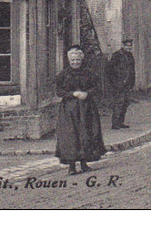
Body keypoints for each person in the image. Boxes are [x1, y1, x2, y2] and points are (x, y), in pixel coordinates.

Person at [55, 45, 106, 175]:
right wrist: (72, 94)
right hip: (69, 111)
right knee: (70, 136)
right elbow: (59, 91)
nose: (75, 63)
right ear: (69, 61)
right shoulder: (63, 75)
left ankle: (84, 163)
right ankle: (71, 166)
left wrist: (87, 93)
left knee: (86, 133)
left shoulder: (89, 73)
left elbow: (97, 87)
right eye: (73, 61)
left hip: (86, 109)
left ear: (81, 60)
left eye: (78, 60)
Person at [106, 37, 136, 129]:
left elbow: (132, 70)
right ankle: (115, 123)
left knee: (125, 103)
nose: (128, 48)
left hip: (127, 83)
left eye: (130, 46)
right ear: (123, 46)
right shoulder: (117, 55)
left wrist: (132, 82)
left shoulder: (130, 55)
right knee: (119, 103)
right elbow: (109, 69)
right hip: (119, 84)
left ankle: (120, 122)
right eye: (127, 46)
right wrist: (115, 81)